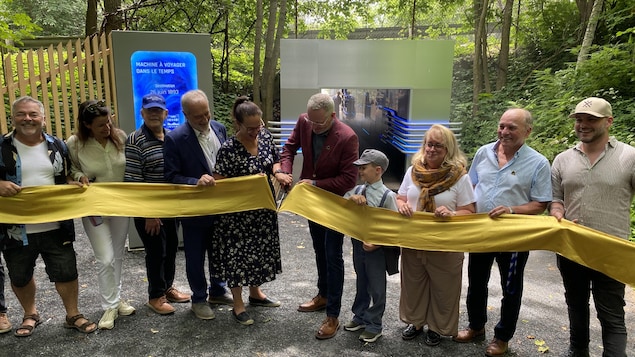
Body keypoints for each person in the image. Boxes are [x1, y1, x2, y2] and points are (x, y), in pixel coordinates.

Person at [453, 108, 552, 356]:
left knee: (511, 288)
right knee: (476, 282)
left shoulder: (538, 162)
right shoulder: (483, 152)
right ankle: (476, 327)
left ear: (527, 131)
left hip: (514, 235)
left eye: (511, 128)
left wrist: (512, 209)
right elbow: (471, 185)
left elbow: (540, 203)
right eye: (502, 126)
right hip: (481, 231)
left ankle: (502, 337)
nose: (504, 132)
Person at [0, 96, 97, 336]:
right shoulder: (0, 147)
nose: (27, 119)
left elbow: (63, 176)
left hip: (56, 224)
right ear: (13, 118)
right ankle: (30, 314)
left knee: (66, 271)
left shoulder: (58, 145)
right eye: (22, 114)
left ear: (43, 118)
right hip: (16, 227)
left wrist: (73, 182)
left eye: (33, 114)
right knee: (20, 275)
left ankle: (73, 314)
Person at [550, 97, 632, 357]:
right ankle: (578, 351)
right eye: (579, 119)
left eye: (591, 120)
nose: (583, 125)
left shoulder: (629, 157)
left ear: (608, 121)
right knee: (576, 306)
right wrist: (558, 212)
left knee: (611, 314)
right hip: (571, 247)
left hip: (611, 249)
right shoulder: (563, 159)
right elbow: (556, 200)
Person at [277, 92, 359, 340]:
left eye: (319, 123)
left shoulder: (347, 137)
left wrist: (314, 183)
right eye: (310, 121)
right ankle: (323, 295)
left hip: (334, 204)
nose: (313, 126)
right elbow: (289, 149)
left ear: (332, 116)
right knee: (319, 250)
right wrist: (286, 172)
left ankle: (333, 314)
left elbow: (348, 180)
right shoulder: (305, 121)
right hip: (312, 203)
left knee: (333, 256)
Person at [396, 125, 475, 346]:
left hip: (445, 243)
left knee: (444, 288)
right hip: (414, 240)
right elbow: (401, 197)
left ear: (448, 149)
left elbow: (469, 211)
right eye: (428, 144)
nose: (431, 149)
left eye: (437, 145)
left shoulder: (459, 176)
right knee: (413, 284)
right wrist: (402, 205)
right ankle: (416, 322)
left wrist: (451, 213)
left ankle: (438, 328)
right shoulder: (412, 171)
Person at [211, 96, 282, 325]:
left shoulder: (265, 137)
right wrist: (249, 181)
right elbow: (219, 183)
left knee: (258, 252)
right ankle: (238, 304)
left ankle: (255, 293)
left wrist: (278, 171)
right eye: (250, 128)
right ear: (238, 124)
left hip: (262, 210)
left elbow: (275, 160)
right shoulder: (228, 149)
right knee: (237, 257)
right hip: (237, 215)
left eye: (258, 126)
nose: (255, 132)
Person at [163, 89, 233, 320]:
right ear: (185, 115)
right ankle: (199, 299)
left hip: (221, 206)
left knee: (219, 252)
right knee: (195, 256)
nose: (204, 120)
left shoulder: (220, 128)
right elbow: (171, 177)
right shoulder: (174, 139)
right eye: (197, 117)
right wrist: (195, 181)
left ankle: (217, 290)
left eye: (206, 114)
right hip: (194, 208)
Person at [67, 99, 135, 330]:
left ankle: (115, 299)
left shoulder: (121, 138)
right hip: (94, 207)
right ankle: (109, 306)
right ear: (87, 125)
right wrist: (78, 177)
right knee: (104, 257)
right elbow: (72, 169)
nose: (107, 128)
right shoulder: (75, 144)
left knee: (116, 255)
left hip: (120, 206)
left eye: (109, 122)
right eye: (100, 125)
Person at [124, 93, 191, 316]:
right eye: (149, 110)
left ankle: (167, 287)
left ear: (165, 113)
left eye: (158, 110)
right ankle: (155, 296)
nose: (154, 114)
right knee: (156, 252)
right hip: (149, 209)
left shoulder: (171, 137)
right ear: (142, 113)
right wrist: (149, 214)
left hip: (171, 207)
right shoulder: (135, 140)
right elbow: (134, 181)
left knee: (171, 248)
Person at [342, 149, 399, 343]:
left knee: (377, 287)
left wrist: (377, 243)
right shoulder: (357, 190)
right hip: (358, 246)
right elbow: (340, 205)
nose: (360, 172)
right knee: (361, 282)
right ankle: (360, 316)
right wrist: (350, 199)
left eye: (363, 168)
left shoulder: (388, 196)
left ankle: (374, 324)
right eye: (359, 168)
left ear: (378, 170)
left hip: (377, 250)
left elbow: (394, 228)